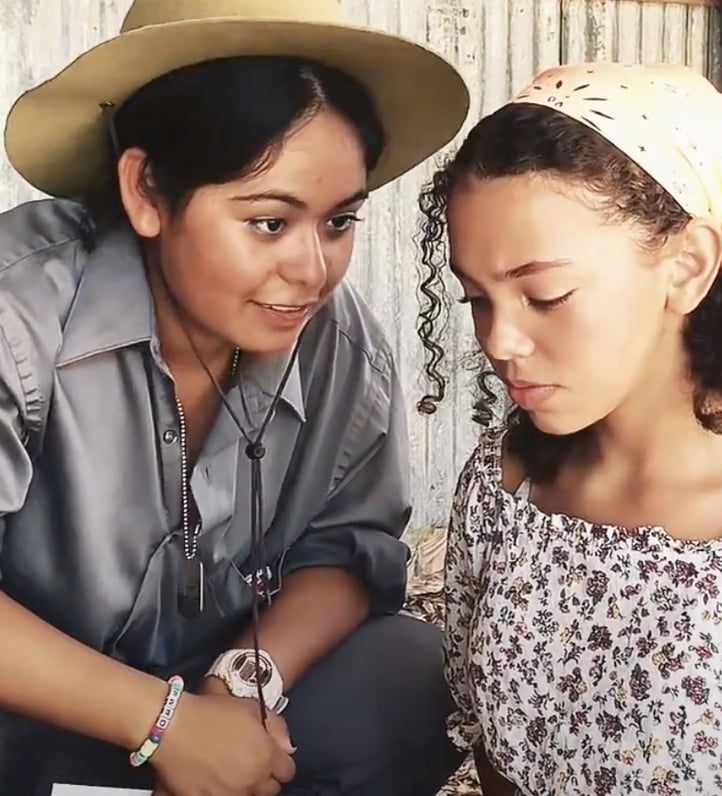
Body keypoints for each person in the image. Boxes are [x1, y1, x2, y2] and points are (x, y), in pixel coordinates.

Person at [0, 1, 470, 794]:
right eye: (268, 221)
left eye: (339, 222)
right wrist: (159, 723)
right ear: (147, 191)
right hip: (31, 712)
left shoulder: (339, 347)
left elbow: (345, 548)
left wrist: (241, 688)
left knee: (408, 676)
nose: (313, 270)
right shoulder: (20, 312)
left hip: (212, 693)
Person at [416, 62, 722, 795]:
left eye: (545, 295)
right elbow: (485, 739)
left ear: (687, 266)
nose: (499, 341)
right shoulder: (503, 483)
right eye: (476, 299)